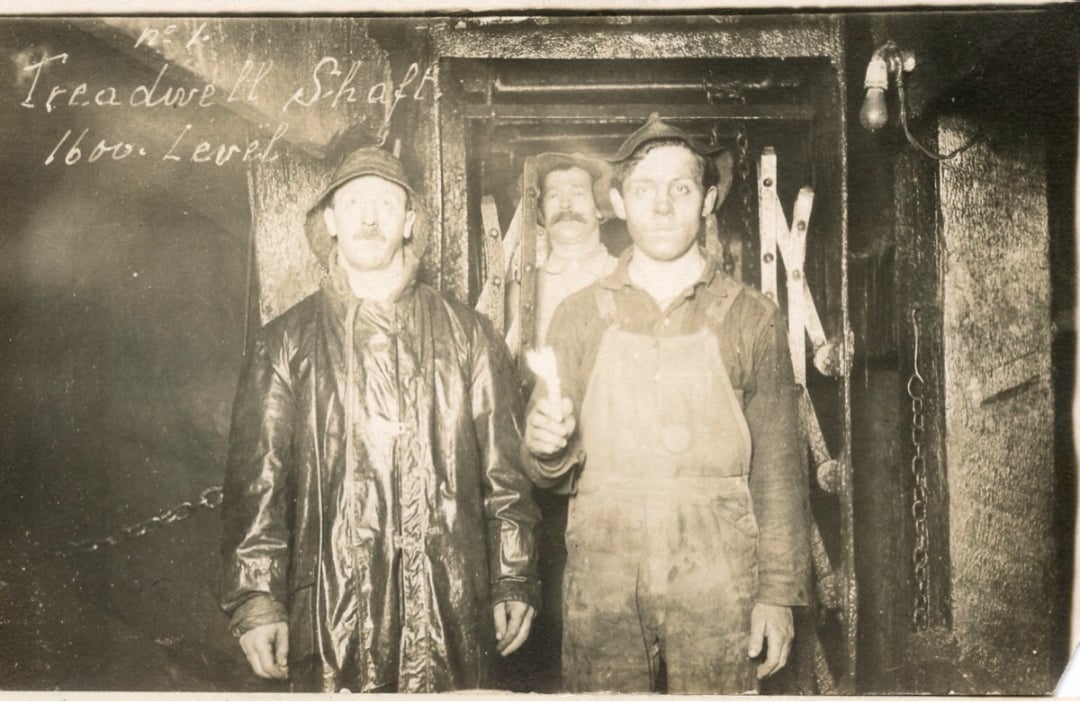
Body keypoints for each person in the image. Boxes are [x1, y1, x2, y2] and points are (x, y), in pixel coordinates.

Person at [220, 145, 540, 693]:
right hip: (329, 615)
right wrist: (256, 599)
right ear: (330, 220)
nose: (369, 218)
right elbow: (260, 483)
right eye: (354, 203)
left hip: (450, 607)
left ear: (410, 221)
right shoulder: (284, 343)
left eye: (386, 204)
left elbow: (504, 476)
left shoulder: (470, 335)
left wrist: (513, 577)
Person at [523, 114, 811, 694]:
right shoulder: (578, 317)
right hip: (604, 571)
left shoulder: (751, 317)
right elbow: (548, 474)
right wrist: (542, 445)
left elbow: (780, 472)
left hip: (718, 573)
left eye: (680, 189)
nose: (661, 206)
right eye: (643, 189)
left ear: (707, 201)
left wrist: (778, 594)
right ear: (618, 201)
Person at [505, 152, 618, 350]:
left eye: (578, 193)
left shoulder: (628, 276)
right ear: (539, 213)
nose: (565, 204)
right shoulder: (521, 292)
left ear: (600, 208)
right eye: (554, 195)